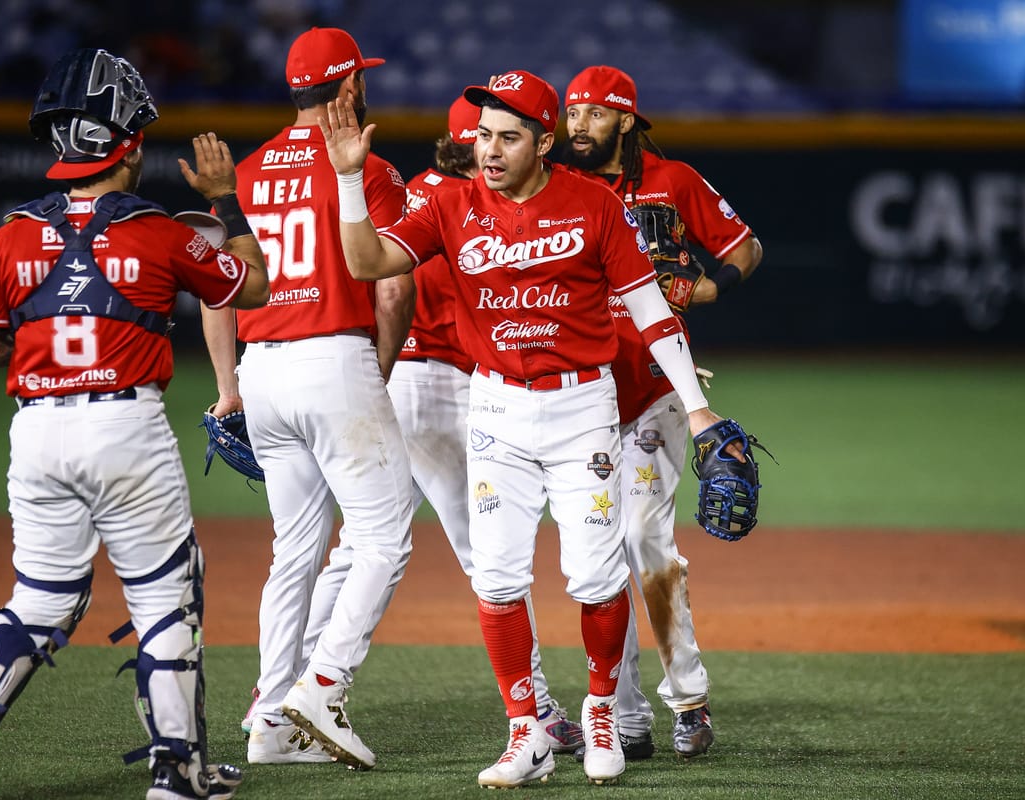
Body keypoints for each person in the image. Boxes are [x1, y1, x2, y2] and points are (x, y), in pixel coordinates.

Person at [318, 69, 748, 788]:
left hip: (584, 407)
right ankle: (527, 731)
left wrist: (695, 409)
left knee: (595, 575)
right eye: (483, 135)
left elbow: (649, 309)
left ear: (544, 142)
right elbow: (367, 261)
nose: (489, 149)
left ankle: (603, 710)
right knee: (496, 577)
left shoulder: (592, 205)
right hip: (495, 408)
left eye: (508, 137)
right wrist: (349, 182)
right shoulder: (452, 204)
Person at [0, 48, 270, 800]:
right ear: (130, 144)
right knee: (165, 593)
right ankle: (178, 771)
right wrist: (225, 200)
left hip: (38, 432)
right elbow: (256, 286)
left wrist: (49, 351)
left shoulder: (12, 234)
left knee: (41, 597)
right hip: (126, 431)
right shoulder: (161, 234)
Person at [294, 94, 584, 758]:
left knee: (358, 546)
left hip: (396, 382)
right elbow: (395, 287)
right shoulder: (476, 205)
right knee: (491, 556)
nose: (491, 150)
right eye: (488, 138)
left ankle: (284, 686)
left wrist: (377, 380)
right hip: (452, 391)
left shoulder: (418, 194)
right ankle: (537, 707)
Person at [200, 27, 415, 771]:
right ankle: (323, 688)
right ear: (348, 88)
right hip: (335, 356)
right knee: (385, 538)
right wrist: (375, 371)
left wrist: (229, 386)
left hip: (262, 371)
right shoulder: (369, 169)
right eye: (361, 77)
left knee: (293, 552)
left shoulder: (249, 175)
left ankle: (268, 722)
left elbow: (216, 289)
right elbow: (392, 285)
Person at [562, 64, 764, 760]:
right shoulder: (559, 191)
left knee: (644, 544)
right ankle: (625, 715)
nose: (577, 124)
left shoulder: (672, 182)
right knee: (595, 558)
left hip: (653, 391)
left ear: (625, 120)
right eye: (571, 112)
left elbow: (746, 246)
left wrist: (710, 288)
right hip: (580, 398)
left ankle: (690, 700)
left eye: (593, 113)